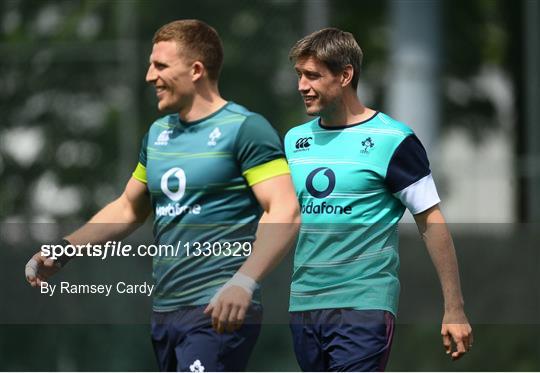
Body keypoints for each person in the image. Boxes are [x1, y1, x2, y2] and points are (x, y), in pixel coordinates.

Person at [25, 19, 300, 372]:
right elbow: (128, 207)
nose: (149, 77)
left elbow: (285, 209)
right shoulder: (157, 135)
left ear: (196, 70)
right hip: (166, 313)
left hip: (217, 310)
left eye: (160, 66)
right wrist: (64, 249)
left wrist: (244, 282)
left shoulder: (246, 129)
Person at [284, 28, 473, 371]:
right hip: (304, 305)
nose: (301, 85)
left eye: (312, 75)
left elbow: (431, 222)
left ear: (345, 75)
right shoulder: (295, 141)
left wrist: (454, 307)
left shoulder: (393, 140)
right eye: (299, 75)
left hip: (363, 305)